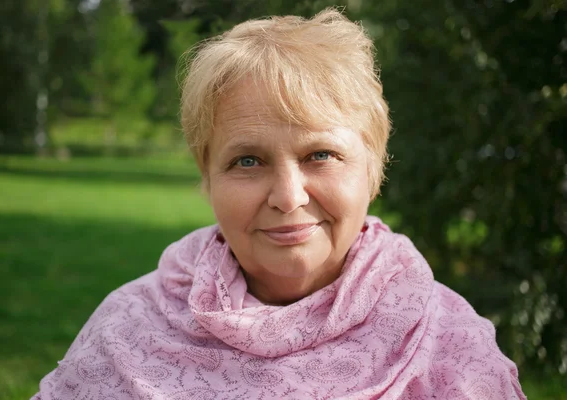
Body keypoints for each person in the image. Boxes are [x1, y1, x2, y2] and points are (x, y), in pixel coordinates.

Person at [32, 8, 526, 399]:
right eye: (247, 161)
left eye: (321, 155)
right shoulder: (128, 327)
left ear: (373, 170)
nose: (289, 197)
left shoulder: (447, 343)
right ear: (207, 177)